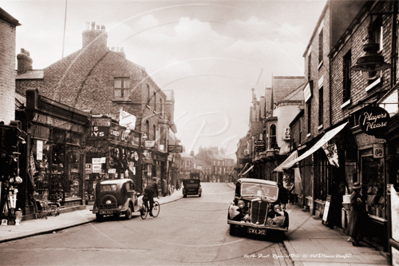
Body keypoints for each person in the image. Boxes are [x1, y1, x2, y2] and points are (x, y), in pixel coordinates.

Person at [348, 182, 368, 246]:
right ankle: (355, 240)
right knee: (355, 227)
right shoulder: (354, 194)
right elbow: (352, 203)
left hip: (356, 212)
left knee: (356, 227)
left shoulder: (356, 194)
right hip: (355, 213)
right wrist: (360, 203)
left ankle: (356, 240)